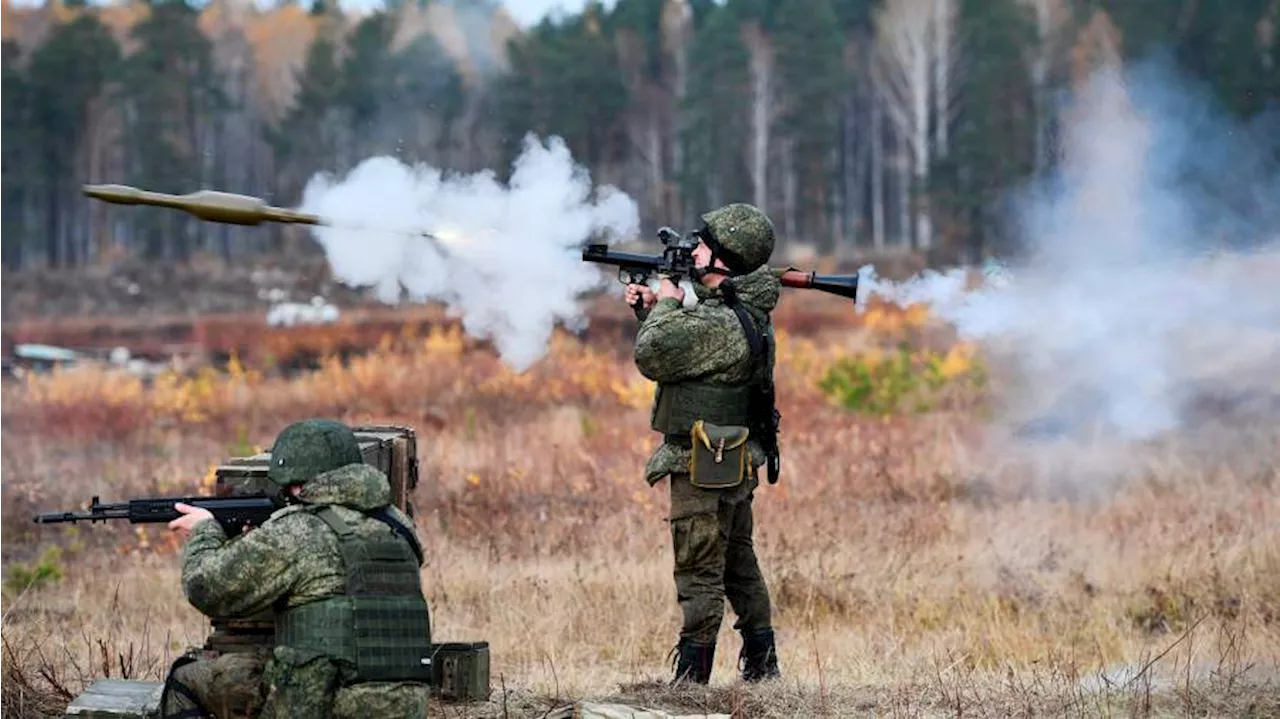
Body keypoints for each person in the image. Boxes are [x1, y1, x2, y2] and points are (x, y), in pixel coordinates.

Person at [158, 418, 433, 718]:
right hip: (405, 707)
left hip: (325, 705)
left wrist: (205, 531)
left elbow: (206, 587)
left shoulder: (300, 530)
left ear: (298, 484)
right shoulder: (398, 525)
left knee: (185, 680)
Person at [625, 202, 782, 686]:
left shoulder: (721, 322)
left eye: (705, 244)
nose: (695, 250)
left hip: (702, 461)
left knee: (698, 566)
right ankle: (762, 663)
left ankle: (692, 681)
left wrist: (667, 300)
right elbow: (681, 357)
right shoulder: (741, 312)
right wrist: (650, 311)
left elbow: (654, 355)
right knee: (737, 561)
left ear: (725, 261)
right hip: (729, 455)